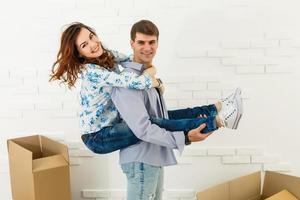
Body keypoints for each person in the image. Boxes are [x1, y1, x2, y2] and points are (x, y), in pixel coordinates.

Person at [50, 22, 243, 155]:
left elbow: (129, 60)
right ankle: (217, 121)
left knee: (164, 115)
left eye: (92, 36)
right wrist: (155, 78)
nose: (93, 44)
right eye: (85, 45)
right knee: (152, 123)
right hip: (98, 137)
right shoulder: (91, 71)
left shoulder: (105, 56)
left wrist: (147, 71)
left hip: (112, 125)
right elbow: (136, 81)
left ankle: (215, 107)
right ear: (79, 53)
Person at [110, 19, 243, 200]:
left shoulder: (146, 77)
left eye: (152, 42)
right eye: (141, 42)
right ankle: (220, 120)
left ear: (157, 43)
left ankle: (216, 109)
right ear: (132, 43)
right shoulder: (128, 82)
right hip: (141, 159)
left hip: (151, 156)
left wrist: (192, 123)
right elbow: (143, 128)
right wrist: (185, 137)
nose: (147, 48)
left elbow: (161, 118)